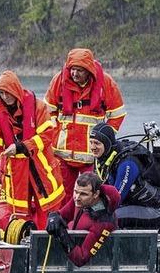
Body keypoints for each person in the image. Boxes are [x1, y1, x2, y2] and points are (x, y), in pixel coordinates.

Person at [0, 70, 65, 236]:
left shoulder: (38, 107)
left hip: (43, 175)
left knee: (49, 222)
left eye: (8, 92)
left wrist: (22, 147)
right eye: (1, 93)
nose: (5, 97)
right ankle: (21, 239)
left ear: (16, 90)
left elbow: (46, 136)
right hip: (16, 179)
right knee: (14, 218)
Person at [44, 48, 126, 201]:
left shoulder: (105, 83)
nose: (75, 74)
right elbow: (47, 112)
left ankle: (88, 223)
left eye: (80, 70)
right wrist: (56, 133)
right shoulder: (59, 81)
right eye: (72, 69)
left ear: (89, 70)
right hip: (62, 154)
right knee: (62, 195)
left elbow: (117, 115)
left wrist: (105, 139)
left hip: (92, 156)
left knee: (91, 196)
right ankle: (63, 223)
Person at [89, 122, 160, 229]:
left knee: (104, 218)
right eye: (91, 142)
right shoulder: (105, 157)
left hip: (155, 210)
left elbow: (116, 199)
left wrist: (93, 209)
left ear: (107, 144)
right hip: (134, 205)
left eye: (97, 143)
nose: (92, 147)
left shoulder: (127, 163)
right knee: (89, 212)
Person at [46, 172, 119, 267]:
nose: (77, 197)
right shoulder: (80, 200)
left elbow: (81, 259)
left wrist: (62, 234)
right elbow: (61, 215)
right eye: (75, 191)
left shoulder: (103, 222)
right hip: (73, 262)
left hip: (96, 269)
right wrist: (53, 216)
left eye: (83, 194)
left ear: (96, 194)